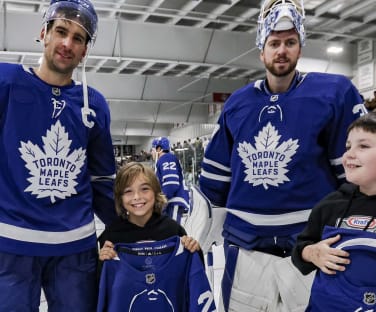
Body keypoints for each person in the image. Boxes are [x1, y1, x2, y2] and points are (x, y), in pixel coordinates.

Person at [198, 0, 366, 310]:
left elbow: (357, 177)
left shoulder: (334, 93)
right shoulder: (237, 103)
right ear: (261, 50)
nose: (282, 51)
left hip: (311, 245)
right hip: (246, 247)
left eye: (290, 42)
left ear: (300, 48)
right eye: (274, 43)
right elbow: (215, 182)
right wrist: (197, 236)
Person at [0, 0, 117, 311]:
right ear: (44, 33)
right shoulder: (6, 83)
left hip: (74, 249)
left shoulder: (94, 105)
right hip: (12, 245)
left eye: (78, 38)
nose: (67, 43)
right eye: (62, 31)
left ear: (84, 51)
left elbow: (103, 179)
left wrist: (134, 228)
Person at [292, 111, 376, 311]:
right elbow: (301, 247)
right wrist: (311, 253)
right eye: (348, 146)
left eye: (364, 146)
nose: (348, 154)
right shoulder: (331, 204)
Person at [97, 162, 216, 311]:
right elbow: (100, 288)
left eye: (144, 189)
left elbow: (191, 278)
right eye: (128, 191)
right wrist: (101, 261)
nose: (137, 197)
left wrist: (194, 249)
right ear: (120, 198)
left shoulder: (173, 230)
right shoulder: (111, 236)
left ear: (156, 191)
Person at [152, 136, 190, 224]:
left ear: (159, 149)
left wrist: (162, 201)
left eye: (152, 150)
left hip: (173, 201)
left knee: (172, 231)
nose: (151, 153)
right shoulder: (166, 159)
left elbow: (171, 183)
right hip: (172, 201)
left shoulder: (166, 158)